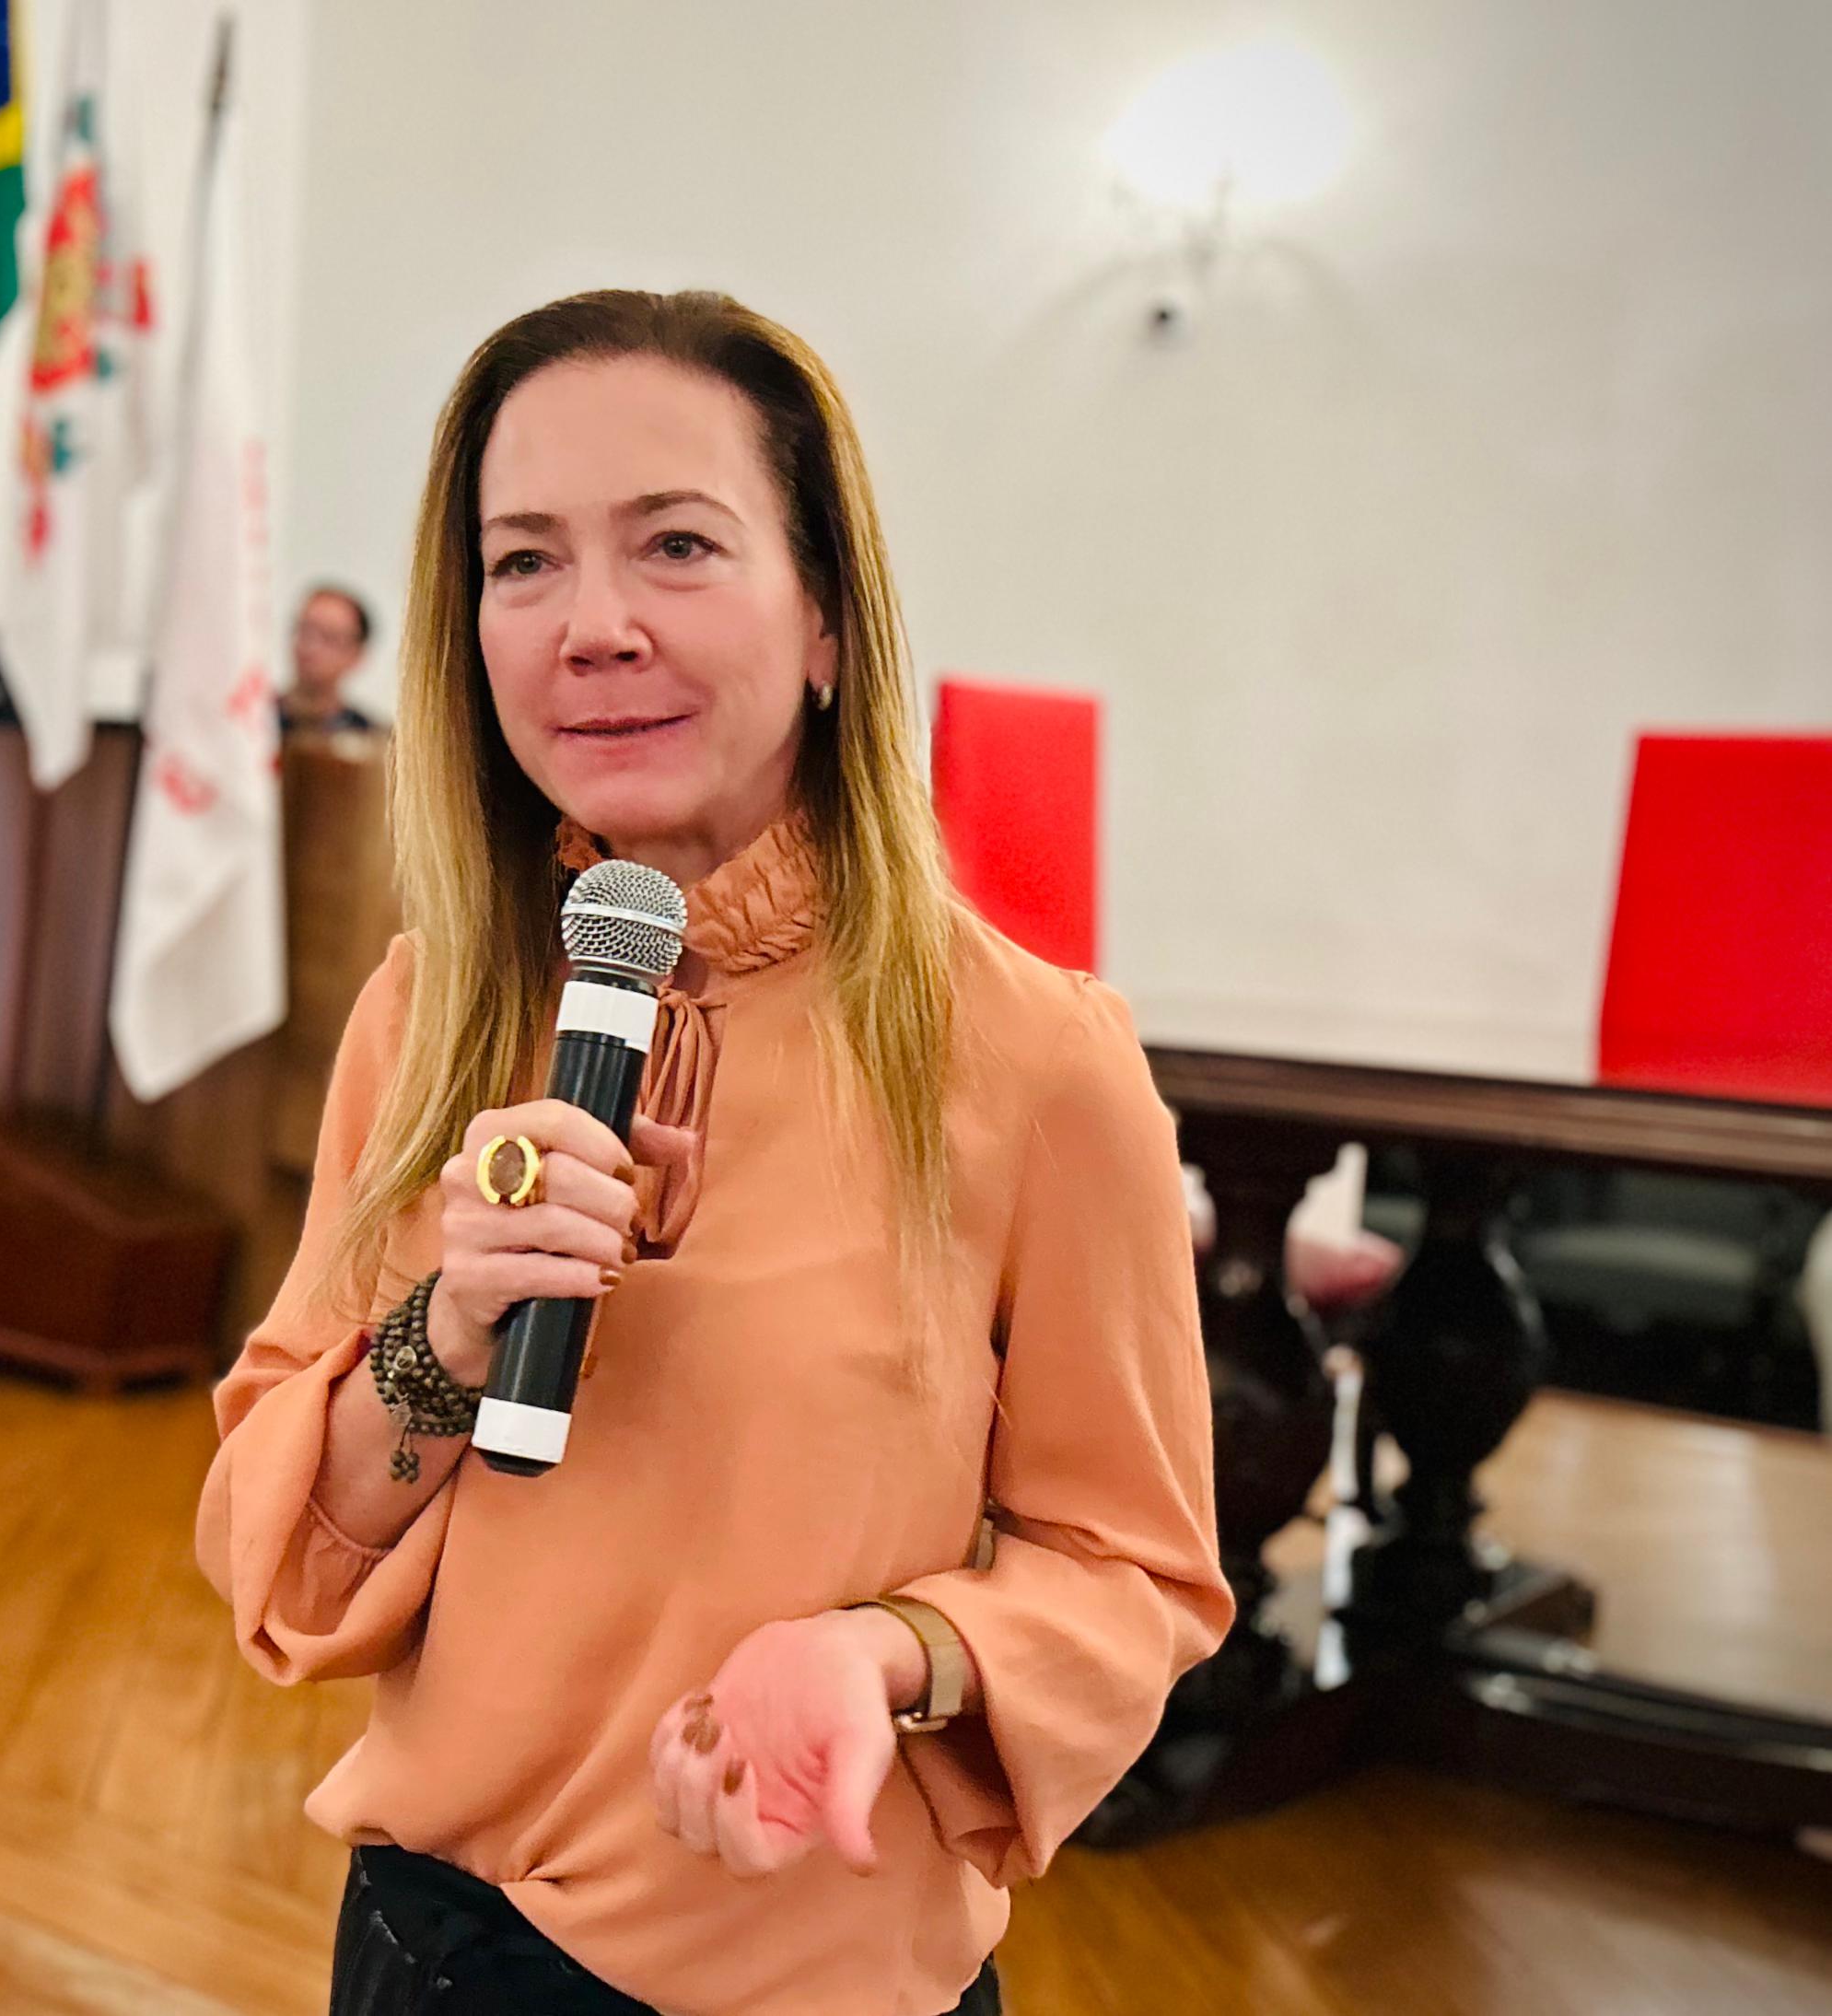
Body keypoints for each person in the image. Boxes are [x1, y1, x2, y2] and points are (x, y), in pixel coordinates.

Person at [198, 290, 1233, 2016]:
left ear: (824, 618)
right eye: (522, 561)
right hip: (432, 1951)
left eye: (673, 544)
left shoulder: (1039, 1060)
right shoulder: (427, 1007)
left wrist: (885, 1653)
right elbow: (285, 1548)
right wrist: (447, 1329)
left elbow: (1133, 1573)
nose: (590, 625)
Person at [286, 583, 379, 736]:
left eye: (329, 637)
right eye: (305, 630)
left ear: (357, 655)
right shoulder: (256, 720)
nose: (310, 646)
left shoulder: (370, 738)